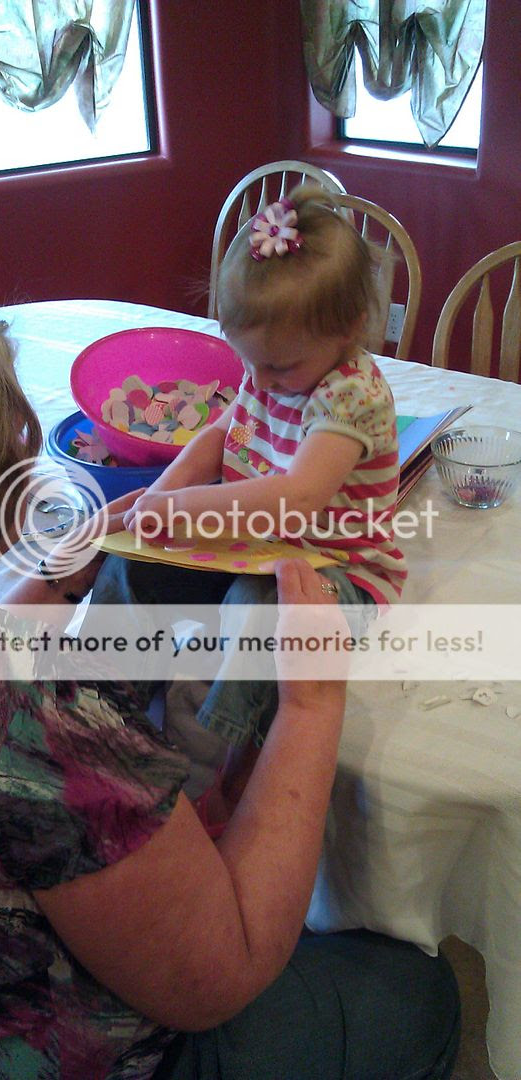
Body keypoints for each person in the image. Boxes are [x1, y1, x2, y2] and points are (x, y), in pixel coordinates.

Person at [0, 281, 459, 1080]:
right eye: (12, 434)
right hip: (49, 1049)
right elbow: (219, 979)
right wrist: (312, 699)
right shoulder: (30, 721)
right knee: (420, 994)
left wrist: (63, 577)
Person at [89, 184, 407, 811]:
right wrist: (156, 500)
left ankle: (216, 770)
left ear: (347, 329)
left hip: (338, 574)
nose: (258, 380)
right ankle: (104, 705)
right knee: (131, 564)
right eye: (248, 361)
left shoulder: (352, 394)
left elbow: (297, 497)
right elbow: (219, 435)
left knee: (256, 611)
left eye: (277, 368)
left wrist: (179, 511)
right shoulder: (274, 362)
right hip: (255, 546)